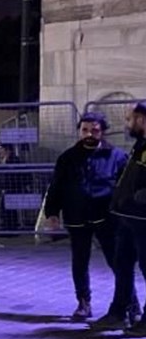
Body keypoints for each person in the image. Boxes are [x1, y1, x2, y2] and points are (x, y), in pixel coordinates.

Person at [44, 112, 129, 319]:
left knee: (118, 263)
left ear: (103, 131)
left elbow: (126, 187)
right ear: (79, 131)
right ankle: (83, 303)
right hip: (77, 217)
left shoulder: (117, 156)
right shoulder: (67, 158)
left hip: (107, 218)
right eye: (85, 130)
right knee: (79, 261)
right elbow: (56, 187)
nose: (89, 134)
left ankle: (130, 304)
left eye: (95, 130)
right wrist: (52, 213)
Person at [94, 102, 146, 335]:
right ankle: (119, 312)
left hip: (143, 218)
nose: (127, 124)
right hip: (128, 217)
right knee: (122, 264)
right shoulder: (141, 145)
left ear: (142, 120)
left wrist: (139, 197)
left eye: (129, 119)